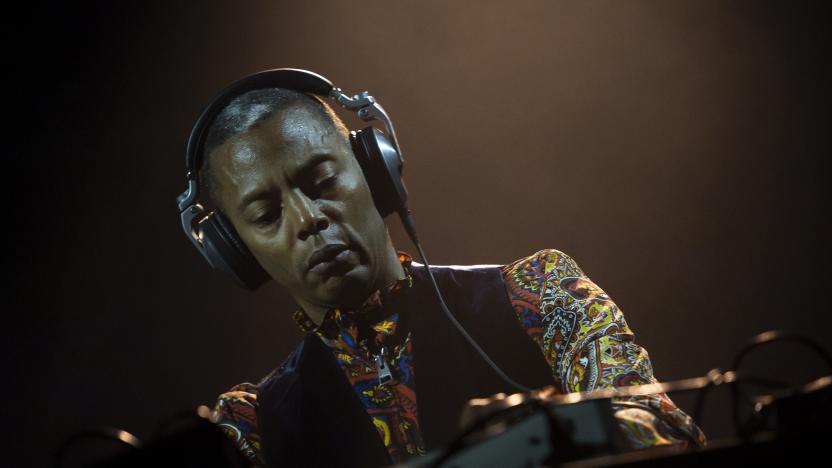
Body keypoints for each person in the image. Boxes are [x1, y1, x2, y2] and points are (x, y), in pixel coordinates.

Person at [191, 76, 705, 467]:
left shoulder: (543, 292)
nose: (307, 220)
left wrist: (560, 428)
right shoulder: (248, 426)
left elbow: (668, 433)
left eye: (322, 181)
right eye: (266, 215)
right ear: (236, 248)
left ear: (375, 170)